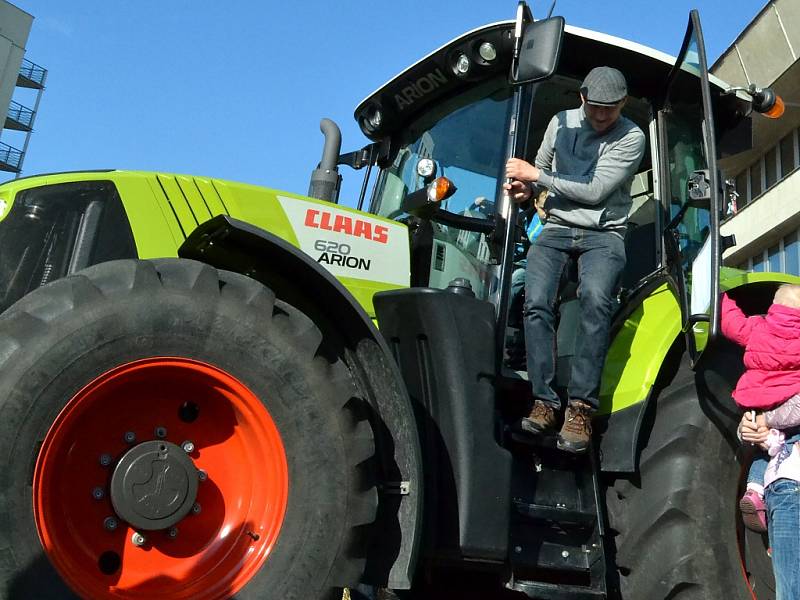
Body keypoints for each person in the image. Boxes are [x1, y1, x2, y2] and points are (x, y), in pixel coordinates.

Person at [503, 66, 646, 453]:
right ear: (582, 98)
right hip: (556, 229)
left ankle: (580, 407)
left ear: (623, 104)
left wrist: (537, 176)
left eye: (610, 109)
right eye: (596, 107)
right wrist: (524, 187)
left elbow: (596, 190)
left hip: (605, 233)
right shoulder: (559, 123)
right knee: (534, 302)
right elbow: (538, 176)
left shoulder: (632, 136)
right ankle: (545, 402)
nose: (601, 116)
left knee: (596, 299)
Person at [722, 285, 800, 538]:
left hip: (756, 402)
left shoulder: (759, 328)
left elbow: (732, 324)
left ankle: (754, 489)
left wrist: (721, 298)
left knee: (760, 449)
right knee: (782, 443)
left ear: (774, 308)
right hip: (787, 400)